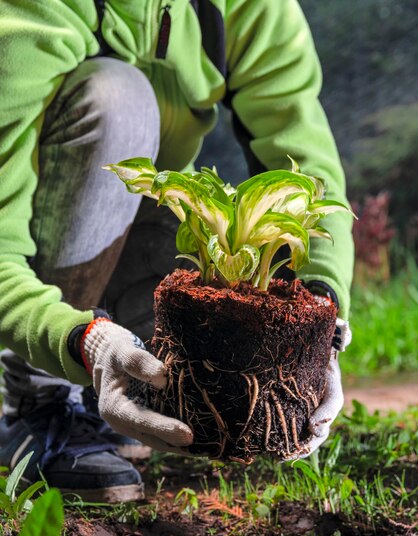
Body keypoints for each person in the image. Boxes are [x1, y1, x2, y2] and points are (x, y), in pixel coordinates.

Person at [0, 0, 354, 503]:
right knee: (119, 99)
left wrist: (323, 325)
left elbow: (310, 179)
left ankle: (133, 392)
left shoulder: (255, 10)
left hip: (132, 229)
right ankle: (39, 399)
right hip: (32, 231)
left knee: (213, 272)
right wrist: (85, 343)